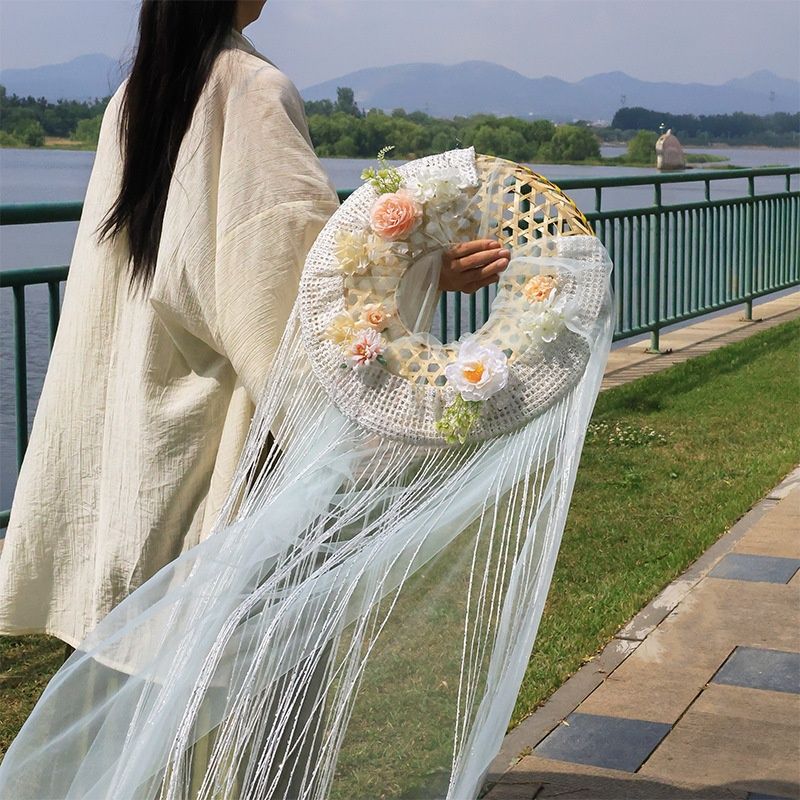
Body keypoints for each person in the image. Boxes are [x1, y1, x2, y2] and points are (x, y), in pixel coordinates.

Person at [0, 0, 509, 653]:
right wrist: (427, 268)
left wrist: (423, 266)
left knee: (148, 664)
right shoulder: (251, 90)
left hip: (144, 411)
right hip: (228, 437)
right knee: (250, 669)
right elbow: (292, 285)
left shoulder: (137, 94)